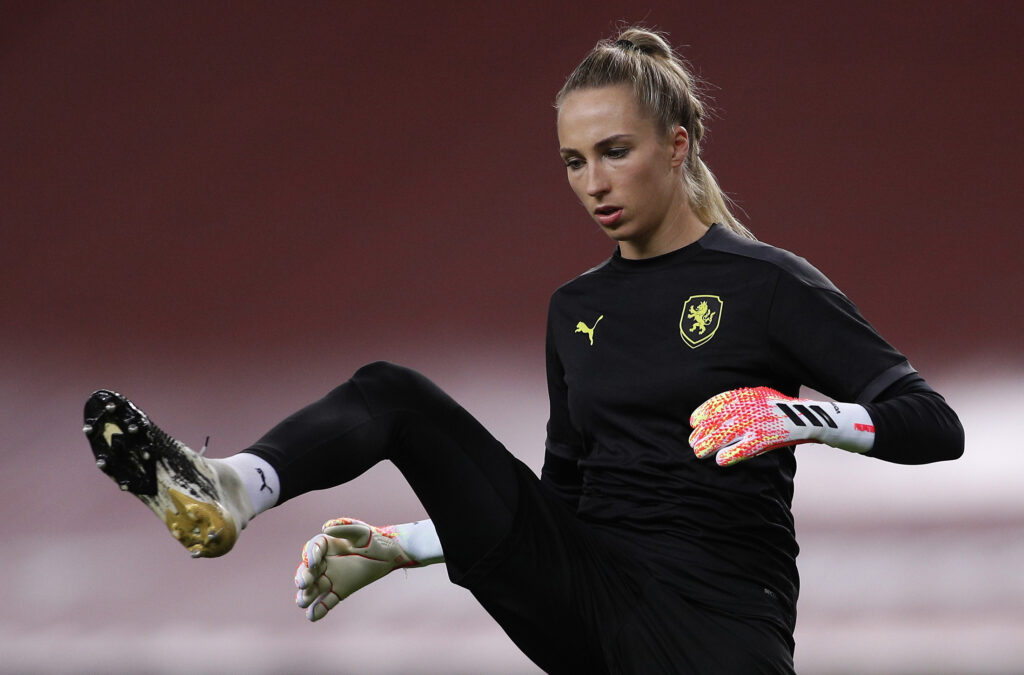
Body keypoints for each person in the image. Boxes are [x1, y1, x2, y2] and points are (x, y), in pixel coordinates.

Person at [83, 26, 964, 674]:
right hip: (590, 599)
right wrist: (404, 545)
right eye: (574, 162)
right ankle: (236, 485)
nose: (594, 183)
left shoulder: (766, 284)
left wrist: (803, 415)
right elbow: (557, 505)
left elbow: (935, 422)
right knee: (392, 392)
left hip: (717, 623)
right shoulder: (576, 310)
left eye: (615, 152)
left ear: (677, 144)